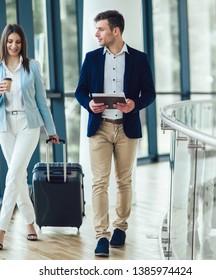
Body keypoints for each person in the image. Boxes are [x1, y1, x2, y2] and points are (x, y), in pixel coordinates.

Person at [75, 10, 156, 257]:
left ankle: (121, 226)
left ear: (115, 31)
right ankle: (101, 235)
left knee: (124, 181)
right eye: (96, 29)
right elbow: (80, 91)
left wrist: (135, 105)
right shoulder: (91, 58)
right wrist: (89, 104)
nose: (96, 34)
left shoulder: (139, 59)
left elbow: (150, 94)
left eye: (101, 29)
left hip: (126, 128)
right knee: (99, 181)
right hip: (99, 128)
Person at [0, 24, 59, 251]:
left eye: (18, 42)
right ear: (4, 43)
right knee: (17, 177)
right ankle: (30, 223)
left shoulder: (33, 67)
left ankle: (1, 231)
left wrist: (52, 130)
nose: (14, 46)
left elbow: (41, 102)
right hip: (5, 126)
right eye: (10, 42)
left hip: (29, 125)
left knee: (12, 176)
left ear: (23, 43)